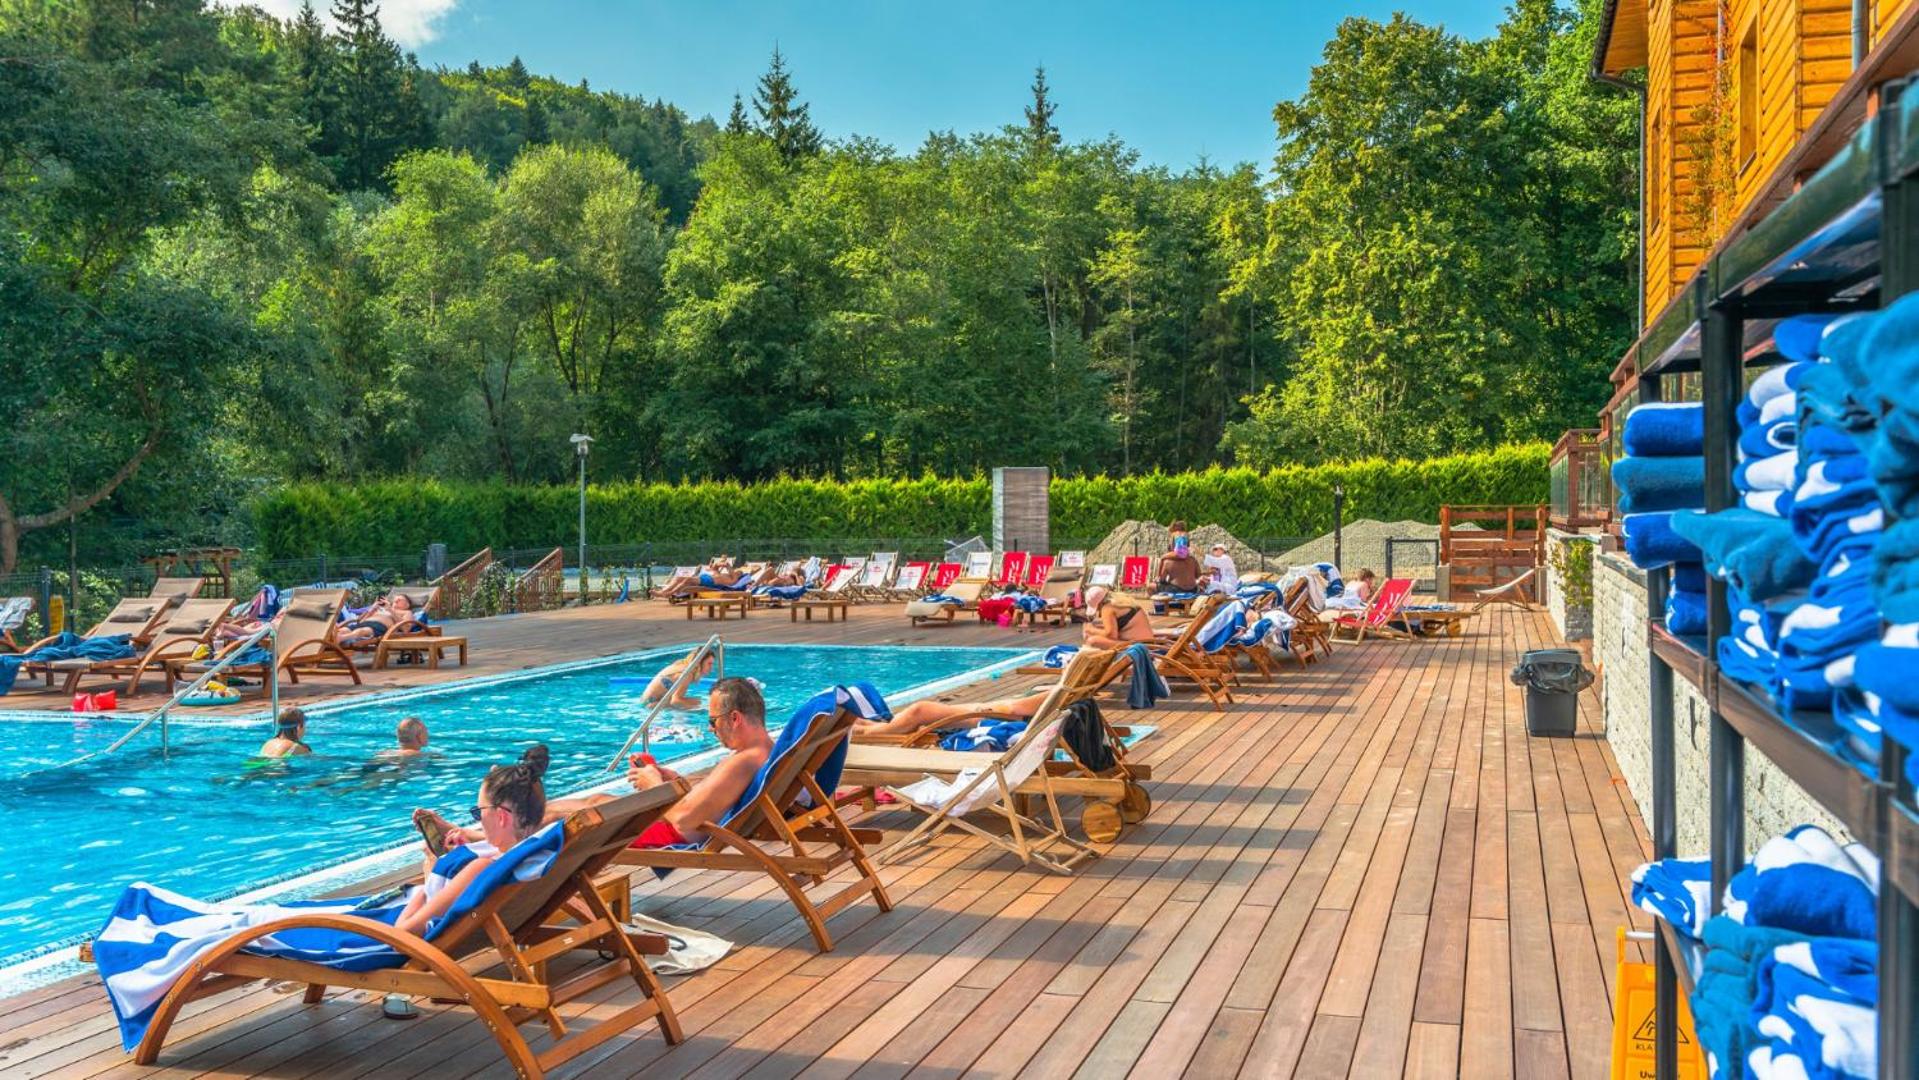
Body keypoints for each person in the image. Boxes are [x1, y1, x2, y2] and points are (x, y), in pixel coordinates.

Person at [392, 747, 549, 936]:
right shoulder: (541, 850)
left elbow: (404, 932)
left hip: (411, 939)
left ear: (501, 817)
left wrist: (431, 869)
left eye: (478, 812)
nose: (479, 819)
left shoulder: (481, 868)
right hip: (513, 923)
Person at [852, 688, 1052, 738]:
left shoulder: (1062, 691)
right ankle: (883, 726)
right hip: (1023, 718)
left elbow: (1016, 708)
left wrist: (987, 708)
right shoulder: (1066, 691)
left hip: (1009, 721)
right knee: (925, 713)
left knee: (920, 710)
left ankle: (867, 732)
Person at [1082, 587, 1156, 649]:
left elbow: (1111, 635)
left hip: (1138, 647)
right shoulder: (1123, 600)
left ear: (1099, 604)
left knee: (1092, 641)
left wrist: (1091, 630)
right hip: (1149, 643)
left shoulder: (1107, 608)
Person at [336, 592, 416, 647]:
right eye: (395, 599)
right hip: (364, 624)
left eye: (400, 599)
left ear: (407, 605)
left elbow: (406, 629)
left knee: (362, 631)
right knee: (343, 630)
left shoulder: (406, 612)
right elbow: (361, 621)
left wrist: (391, 610)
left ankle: (339, 639)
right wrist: (372, 608)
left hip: (379, 627)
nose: (396, 600)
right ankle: (335, 640)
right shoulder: (381, 609)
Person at [642, 652, 716, 710]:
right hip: (651, 706)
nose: (711, 668)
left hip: (646, 702)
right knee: (697, 702)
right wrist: (701, 707)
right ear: (699, 662)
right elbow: (676, 701)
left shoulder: (682, 666)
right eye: (709, 664)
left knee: (695, 701)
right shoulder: (687, 674)